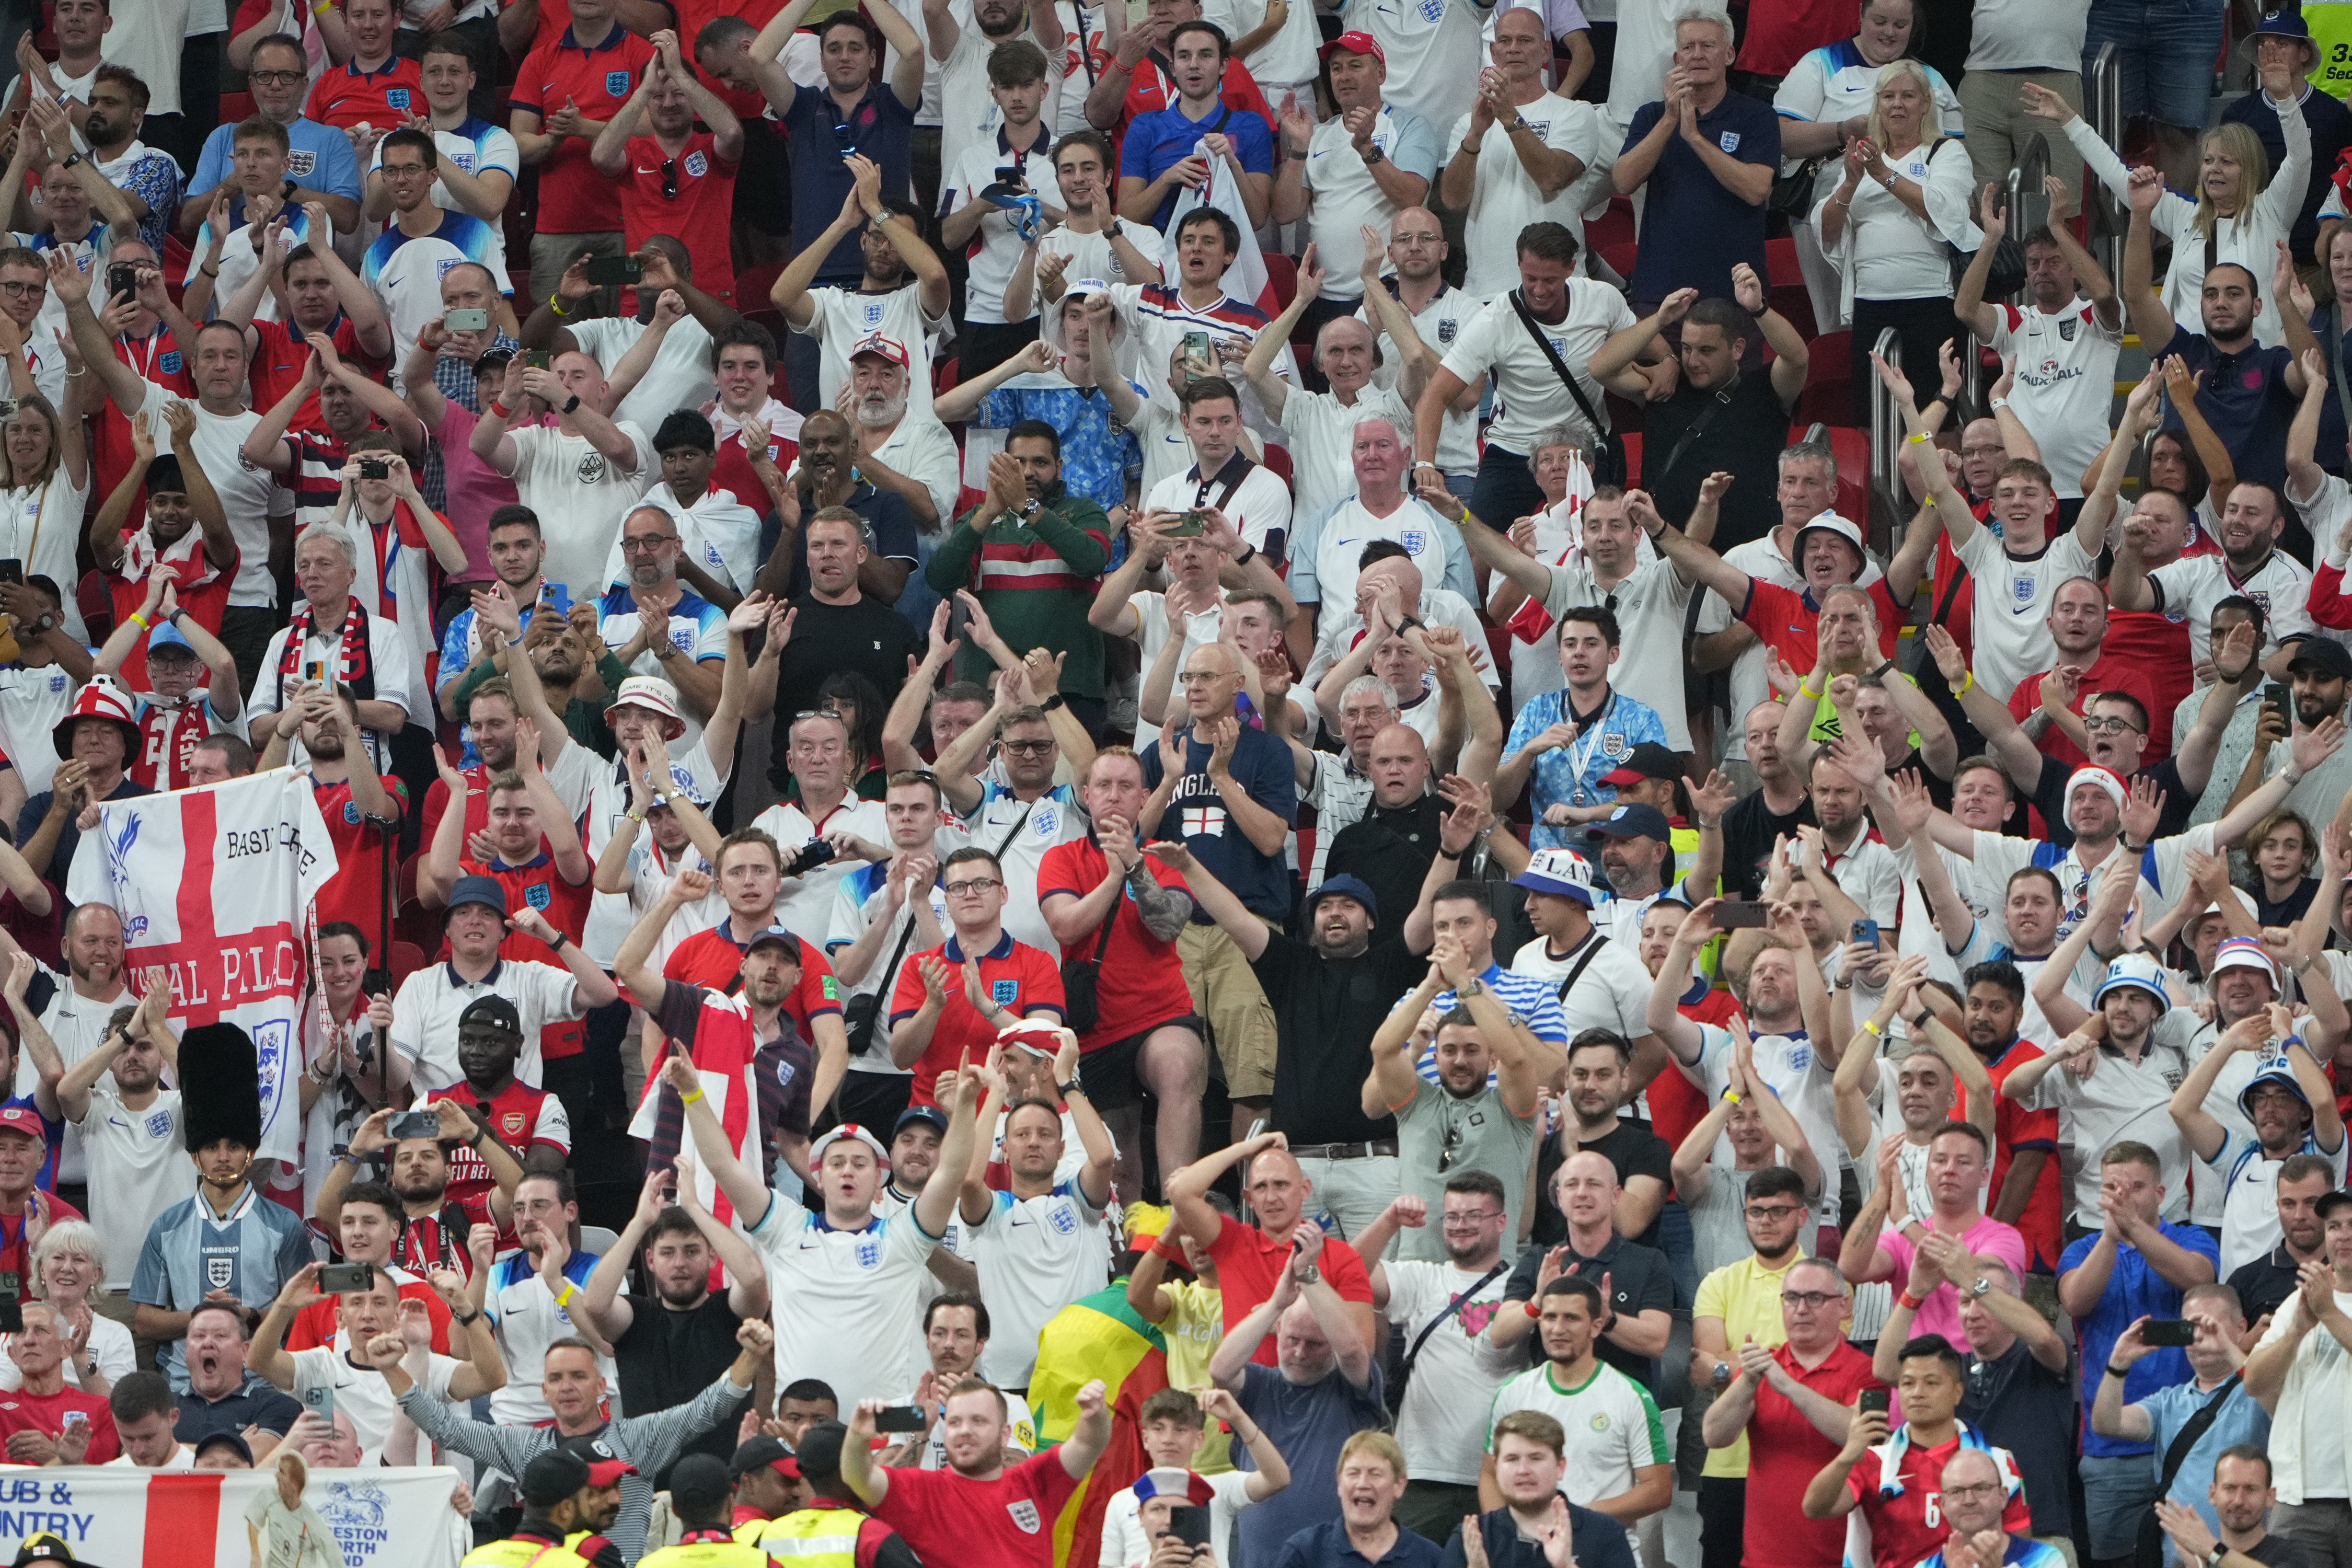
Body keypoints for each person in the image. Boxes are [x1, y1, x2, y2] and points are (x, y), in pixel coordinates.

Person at [1037, 748, 1206, 1191]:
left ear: (1144, 797)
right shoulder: (1063, 859)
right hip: (1096, 1028)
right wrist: (1113, 877)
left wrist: (1133, 864)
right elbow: (1066, 927)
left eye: (1127, 787)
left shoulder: (1165, 857)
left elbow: (1168, 926)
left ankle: (1180, 1205)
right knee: (1118, 1161)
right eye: (1105, 787)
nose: (1114, 796)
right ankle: (1131, 1255)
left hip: (1160, 1014)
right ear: (1087, 795)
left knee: (1179, 1068)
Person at [1413, 223, 1640, 532]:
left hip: (1580, 447)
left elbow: (1645, 339)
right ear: (1518, 265)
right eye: (1530, 278)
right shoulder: (1493, 320)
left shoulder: (1602, 299)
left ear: (1572, 269)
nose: (1539, 290)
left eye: (1550, 280)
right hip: (1514, 448)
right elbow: (1435, 395)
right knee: (1478, 550)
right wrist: (1425, 463)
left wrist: (1666, 360)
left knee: (1596, 543)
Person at [2066, 1143, 2228, 1565]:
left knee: (2196, 1560)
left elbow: (2198, 1279)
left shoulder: (2192, 1238)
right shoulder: (2082, 1250)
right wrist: (2110, 1235)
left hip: (2190, 1436)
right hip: (2110, 1445)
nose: (2124, 1198)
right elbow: (2075, 1302)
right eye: (2113, 1189)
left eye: (2136, 1188)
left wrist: (2134, 1228)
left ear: (2160, 1193)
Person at [128, 1026, 312, 1392]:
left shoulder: (284, 1226)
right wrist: (202, 1318)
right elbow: (144, 1321)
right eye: (212, 1147)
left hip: (264, 1388)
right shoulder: (168, 1226)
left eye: (234, 1146)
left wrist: (252, 1317)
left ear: (252, 1152)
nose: (224, 1157)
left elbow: (306, 1310)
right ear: (195, 1155)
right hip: (183, 1387)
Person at [1362, 949, 1552, 1255]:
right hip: (1417, 1276)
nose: (1460, 1060)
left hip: (1488, 1280)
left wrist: (1465, 984)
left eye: (1472, 1050)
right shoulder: (1414, 1104)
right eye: (1450, 1050)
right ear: (1435, 1059)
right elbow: (1383, 1049)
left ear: (1493, 1061)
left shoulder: (1514, 1110)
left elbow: (1517, 1059)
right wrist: (1430, 987)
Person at [955, 1031, 1115, 1390]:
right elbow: (968, 1179)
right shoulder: (992, 1213)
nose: (1033, 1142)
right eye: (1022, 1134)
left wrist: (1066, 1082)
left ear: (1061, 1149)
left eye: (1045, 1135)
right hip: (1007, 1384)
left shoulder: (1080, 1203)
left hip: (1081, 1378)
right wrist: (995, 1094)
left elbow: (1103, 1157)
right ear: (1005, 1149)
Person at [1798, 1334, 2032, 1568]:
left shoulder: (1997, 1462)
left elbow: (2021, 1552)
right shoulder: (1875, 1461)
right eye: (1908, 1383)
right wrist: (1849, 1454)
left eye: (1931, 1383)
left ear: (1958, 1392)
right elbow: (1815, 1508)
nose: (1917, 1393)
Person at [839, 1374, 1111, 1568]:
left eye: (978, 1421)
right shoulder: (921, 1490)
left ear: (1006, 1435)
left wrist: (1096, 1415)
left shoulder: (1034, 1481)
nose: (965, 1430)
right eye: (955, 1422)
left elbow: (1088, 1443)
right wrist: (857, 1436)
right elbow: (858, 1477)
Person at [1485, 1276, 1670, 1557]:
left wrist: (1575, 1518)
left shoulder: (1631, 1396)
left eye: (1571, 1318)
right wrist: (1508, 1533)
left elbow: (1658, 1489)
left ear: (1596, 1326)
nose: (1558, 1329)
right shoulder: (1512, 1393)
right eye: (1549, 1318)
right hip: (1528, 1551)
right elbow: (1489, 1474)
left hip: (1605, 1551)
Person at [1609, 13, 1777, 308]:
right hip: (1659, 292)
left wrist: (1695, 137)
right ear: (1677, 59)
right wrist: (1670, 120)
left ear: (1729, 54)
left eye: (1708, 46)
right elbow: (1623, 181)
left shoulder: (1757, 116)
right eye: (1688, 48)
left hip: (1734, 294)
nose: (1697, 55)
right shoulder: (1651, 116)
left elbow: (1757, 190)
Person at [2097, 1285, 2272, 1541]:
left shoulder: (2259, 1391)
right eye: (2191, 1328)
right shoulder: (2169, 1400)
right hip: (2179, 1556)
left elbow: (2273, 1399)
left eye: (2212, 1326)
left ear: (2240, 1329)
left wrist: (2230, 1350)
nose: (2201, 1336)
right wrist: (2118, 1364)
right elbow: (2106, 1424)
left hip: (2247, 1557)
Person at [2241, 1185, 2352, 1568]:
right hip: (2298, 1498)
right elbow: (2253, 1381)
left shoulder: (2318, 1299)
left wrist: (2330, 1312)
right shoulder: (2299, 1301)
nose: (2344, 1235)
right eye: (2335, 1226)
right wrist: (2296, 1333)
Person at [1269, 1429, 1440, 1568]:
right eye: (1354, 1473)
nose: (1363, 1484)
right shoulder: (1304, 1552)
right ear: (1339, 1483)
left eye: (1375, 1474)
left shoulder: (1431, 1558)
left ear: (1399, 1486)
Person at [2228, 1155, 2338, 1326]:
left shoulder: (2347, 1272)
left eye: (2311, 1203)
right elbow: (2224, 1349)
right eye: (2289, 1204)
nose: (2299, 1216)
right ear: (2278, 1205)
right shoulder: (2244, 1282)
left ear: (2332, 1206)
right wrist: (2252, 1341)